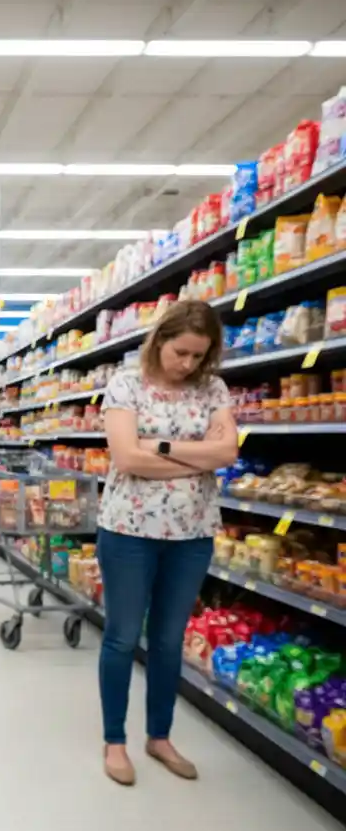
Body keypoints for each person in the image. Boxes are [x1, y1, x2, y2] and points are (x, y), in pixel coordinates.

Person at [97, 300, 238, 786]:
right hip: (128, 532)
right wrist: (198, 457)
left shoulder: (212, 388)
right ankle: (114, 741)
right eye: (181, 352)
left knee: (168, 640)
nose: (188, 364)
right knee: (120, 637)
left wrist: (157, 446)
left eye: (199, 356)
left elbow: (229, 451)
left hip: (193, 532)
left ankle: (159, 736)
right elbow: (126, 459)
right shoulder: (125, 385)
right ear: (159, 341)